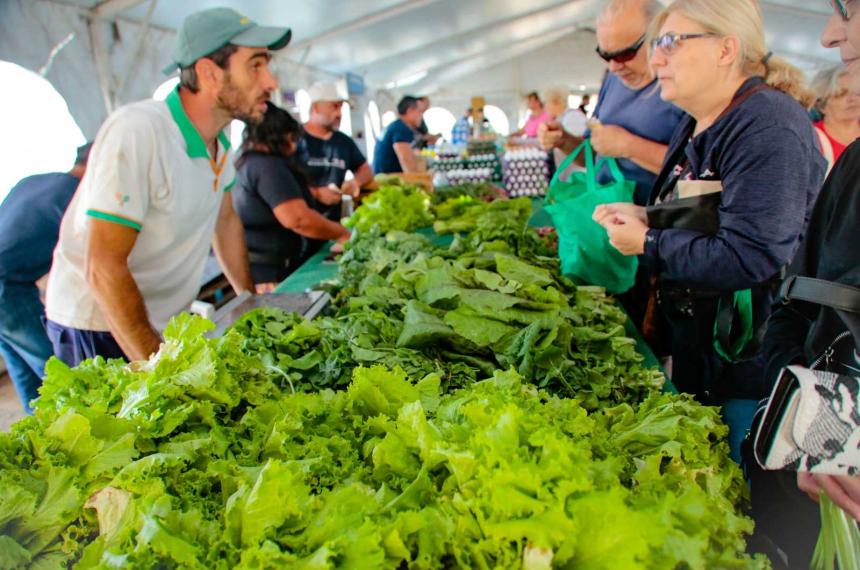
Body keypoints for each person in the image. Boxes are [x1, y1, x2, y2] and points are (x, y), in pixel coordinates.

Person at [595, 0, 824, 460]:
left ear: (726, 49)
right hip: (703, 350)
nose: (656, 58)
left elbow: (751, 254)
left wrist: (647, 241)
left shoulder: (767, 126)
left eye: (669, 43)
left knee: (739, 484)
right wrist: (649, 216)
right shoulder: (700, 120)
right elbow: (712, 213)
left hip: (750, 363)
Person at [45, 7, 291, 366]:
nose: (271, 81)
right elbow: (103, 267)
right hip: (102, 325)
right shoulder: (139, 130)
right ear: (209, 72)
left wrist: (249, 302)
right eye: (255, 65)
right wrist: (157, 369)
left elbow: (225, 222)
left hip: (159, 320)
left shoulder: (218, 144)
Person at [747, 3, 860, 566]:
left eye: (850, 10)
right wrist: (821, 430)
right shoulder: (853, 166)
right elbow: (797, 307)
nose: (829, 33)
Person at [539, 0, 685, 207]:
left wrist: (630, 147)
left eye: (625, 54)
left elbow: (702, 171)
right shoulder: (613, 79)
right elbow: (595, 156)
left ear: (660, 35)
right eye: (605, 55)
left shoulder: (685, 84)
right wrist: (563, 140)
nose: (615, 67)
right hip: (611, 223)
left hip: (659, 227)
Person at [0, 143, 91, 412]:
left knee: (22, 368)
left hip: (14, 282)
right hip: (7, 287)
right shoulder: (74, 195)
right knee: (55, 369)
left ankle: (38, 432)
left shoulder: (35, 181)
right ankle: (74, 433)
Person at [234, 102, 350, 286]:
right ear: (280, 135)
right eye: (292, 137)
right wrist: (342, 233)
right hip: (270, 272)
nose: (295, 145)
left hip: (264, 265)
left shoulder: (246, 161)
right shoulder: (268, 166)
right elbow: (298, 219)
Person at [297, 81, 372, 220]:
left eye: (341, 107)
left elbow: (366, 169)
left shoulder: (344, 141)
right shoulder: (294, 139)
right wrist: (316, 193)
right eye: (334, 106)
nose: (339, 113)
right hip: (302, 225)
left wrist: (356, 182)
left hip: (334, 224)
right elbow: (280, 182)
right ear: (315, 108)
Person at [810, 65, 860, 172]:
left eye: (857, 92)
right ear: (821, 105)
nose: (852, 99)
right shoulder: (810, 138)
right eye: (841, 94)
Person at [372, 96, 423, 174]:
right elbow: (406, 162)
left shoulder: (395, 125)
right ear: (410, 111)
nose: (421, 116)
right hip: (387, 181)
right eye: (419, 111)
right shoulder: (400, 129)